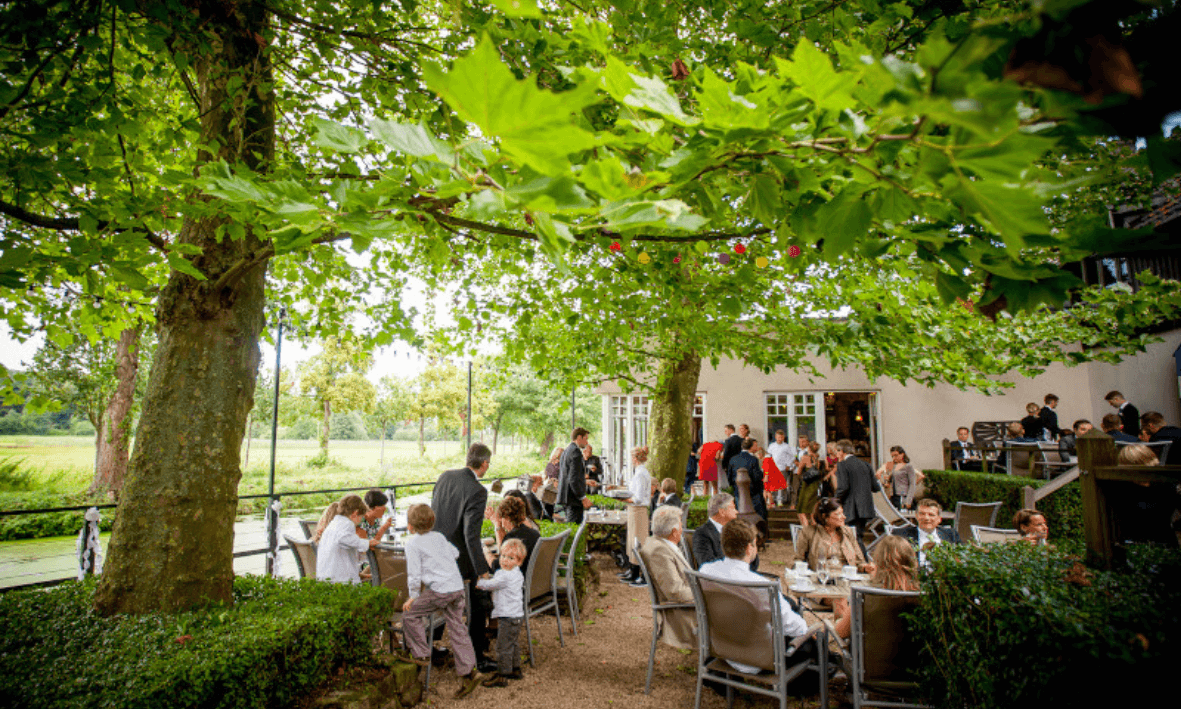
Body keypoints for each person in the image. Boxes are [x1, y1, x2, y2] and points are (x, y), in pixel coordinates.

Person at [401, 504, 490, 698]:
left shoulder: (412, 544)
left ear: (410, 526)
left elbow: (413, 574)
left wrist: (413, 595)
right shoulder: (440, 537)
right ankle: (469, 672)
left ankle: (421, 653)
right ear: (432, 522)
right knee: (457, 628)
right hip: (457, 588)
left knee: (410, 613)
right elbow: (455, 553)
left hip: (440, 590)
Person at [700, 519, 809, 674]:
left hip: (722, 647)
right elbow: (795, 628)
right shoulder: (761, 586)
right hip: (759, 658)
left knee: (788, 607)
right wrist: (810, 630)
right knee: (811, 640)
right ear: (749, 548)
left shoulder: (706, 571)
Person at [432, 442, 496, 674]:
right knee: (479, 599)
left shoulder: (445, 476)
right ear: (485, 463)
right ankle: (477, 657)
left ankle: (431, 645)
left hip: (436, 553)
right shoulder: (478, 490)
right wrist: (482, 570)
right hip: (458, 559)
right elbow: (471, 535)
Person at [833, 535, 919, 640]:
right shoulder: (920, 594)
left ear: (878, 561)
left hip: (869, 655)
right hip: (911, 655)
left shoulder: (866, 595)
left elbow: (841, 633)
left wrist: (838, 620)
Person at [637, 505, 696, 650]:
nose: (683, 527)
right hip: (683, 616)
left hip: (689, 605)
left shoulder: (657, 543)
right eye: (681, 524)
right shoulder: (659, 551)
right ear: (675, 532)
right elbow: (675, 592)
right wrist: (706, 593)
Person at [476, 538, 527, 687]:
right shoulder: (516, 573)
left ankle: (502, 675)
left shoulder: (505, 576)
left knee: (502, 646)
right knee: (513, 643)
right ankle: (515, 668)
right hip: (516, 615)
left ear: (519, 561)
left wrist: (479, 582)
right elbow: (499, 579)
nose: (505, 560)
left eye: (511, 558)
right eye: (503, 556)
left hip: (508, 617)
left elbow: (491, 585)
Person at [794, 498, 876, 574]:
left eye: (842, 513)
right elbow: (798, 560)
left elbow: (860, 562)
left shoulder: (847, 532)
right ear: (824, 516)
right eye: (838, 514)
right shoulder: (809, 532)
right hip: (821, 579)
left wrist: (866, 568)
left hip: (846, 578)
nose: (844, 517)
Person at [315, 495, 381, 583]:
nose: (361, 521)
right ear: (355, 513)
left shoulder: (333, 524)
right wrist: (367, 543)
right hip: (341, 581)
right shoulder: (347, 523)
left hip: (326, 577)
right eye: (362, 516)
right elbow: (343, 538)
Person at [693, 492, 759, 571]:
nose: (736, 512)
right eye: (733, 508)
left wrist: (752, 550)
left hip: (741, 577)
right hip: (720, 581)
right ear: (722, 512)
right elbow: (707, 564)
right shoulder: (702, 533)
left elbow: (753, 564)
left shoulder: (736, 530)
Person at [892, 498, 962, 565]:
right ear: (916, 516)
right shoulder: (901, 535)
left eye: (931, 515)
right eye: (922, 514)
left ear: (939, 519)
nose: (926, 518)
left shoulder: (951, 534)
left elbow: (961, 558)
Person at [834, 439, 876, 548]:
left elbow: (843, 487)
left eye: (837, 452)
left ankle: (863, 563)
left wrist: (835, 501)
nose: (836, 455)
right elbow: (875, 487)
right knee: (858, 538)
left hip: (851, 508)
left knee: (853, 541)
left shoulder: (842, 465)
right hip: (865, 508)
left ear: (842, 451)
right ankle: (860, 562)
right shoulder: (866, 465)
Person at [621, 446, 653, 587]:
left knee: (638, 541)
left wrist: (620, 499)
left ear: (635, 458)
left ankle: (641, 575)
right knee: (632, 541)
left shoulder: (641, 474)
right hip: (635, 511)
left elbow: (638, 498)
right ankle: (633, 571)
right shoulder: (639, 472)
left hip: (638, 510)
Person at [491, 495, 540, 571]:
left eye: (501, 518)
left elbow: (499, 566)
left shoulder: (512, 537)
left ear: (506, 518)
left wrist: (486, 553)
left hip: (518, 579)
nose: (502, 523)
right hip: (532, 576)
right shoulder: (535, 534)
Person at [556, 427, 592, 524]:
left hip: (566, 497)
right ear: (579, 437)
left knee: (571, 526)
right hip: (573, 499)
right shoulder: (576, 451)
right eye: (586, 438)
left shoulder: (566, 451)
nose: (587, 442)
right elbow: (573, 479)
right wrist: (582, 497)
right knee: (574, 528)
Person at [727, 438, 766, 518]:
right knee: (756, 515)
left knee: (741, 514)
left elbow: (729, 476)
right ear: (751, 447)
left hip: (738, 491)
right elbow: (757, 477)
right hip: (753, 492)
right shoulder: (753, 459)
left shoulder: (733, 459)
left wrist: (734, 487)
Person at [876, 445, 919, 511]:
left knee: (904, 517)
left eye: (896, 455)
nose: (894, 458)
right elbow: (890, 481)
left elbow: (912, 484)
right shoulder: (894, 466)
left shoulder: (908, 466)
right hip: (894, 496)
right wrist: (886, 480)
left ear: (902, 454)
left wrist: (908, 500)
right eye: (892, 456)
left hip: (903, 496)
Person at [794, 441, 823, 526]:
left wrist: (797, 463)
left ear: (809, 448)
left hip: (806, 486)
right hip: (815, 486)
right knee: (811, 511)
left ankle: (806, 531)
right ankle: (814, 531)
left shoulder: (805, 457)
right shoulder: (817, 459)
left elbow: (799, 472)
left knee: (801, 511)